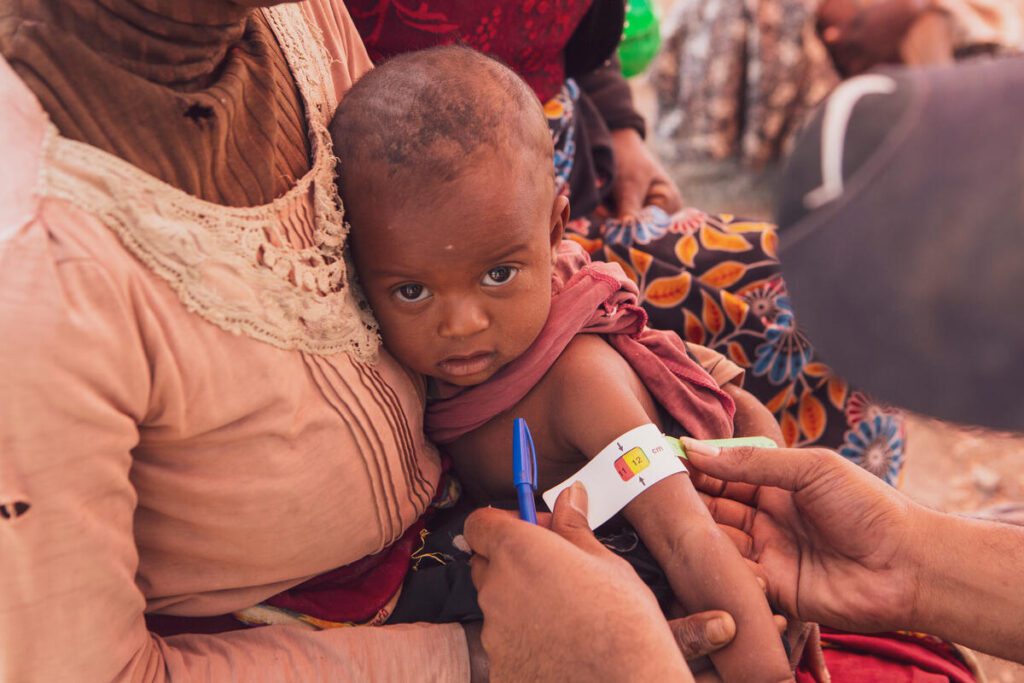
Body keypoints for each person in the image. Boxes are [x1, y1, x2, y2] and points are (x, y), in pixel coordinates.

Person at [0, 1, 745, 679]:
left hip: (469, 503)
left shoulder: (298, 18)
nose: (456, 321)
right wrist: (490, 654)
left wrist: (613, 355)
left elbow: (451, 239)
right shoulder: (34, 267)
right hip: (335, 632)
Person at [331, 45, 793, 682]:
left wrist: (763, 670)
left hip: (665, 568)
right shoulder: (401, 374)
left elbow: (688, 538)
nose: (461, 324)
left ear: (554, 232)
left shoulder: (577, 382)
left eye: (499, 274)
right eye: (411, 291)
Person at [345, 0, 909, 478]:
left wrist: (619, 130)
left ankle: (845, 552)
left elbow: (583, 46)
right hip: (433, 245)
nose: (463, 324)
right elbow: (680, 531)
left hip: (553, 216)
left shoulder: (551, 245)